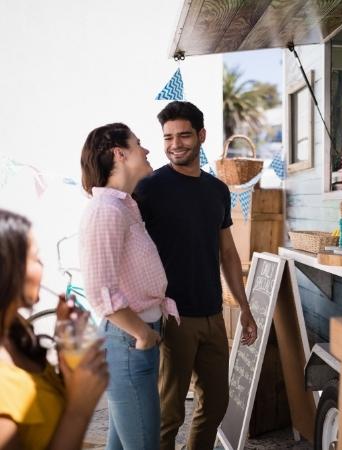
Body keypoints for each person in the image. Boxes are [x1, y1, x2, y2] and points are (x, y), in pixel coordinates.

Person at [134, 101, 258, 450]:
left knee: (216, 402)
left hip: (212, 313)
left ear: (201, 136)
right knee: (169, 413)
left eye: (184, 135)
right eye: (168, 137)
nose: (175, 144)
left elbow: (229, 254)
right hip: (172, 316)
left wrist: (244, 307)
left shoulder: (216, 190)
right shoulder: (149, 188)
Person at [79, 123, 180, 450]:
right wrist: (141, 333)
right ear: (119, 154)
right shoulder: (106, 211)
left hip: (135, 339)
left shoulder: (123, 207)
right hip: (127, 342)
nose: (148, 150)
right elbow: (100, 291)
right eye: (139, 144)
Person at [0, 209, 108, 450]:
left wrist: (66, 338)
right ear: (8, 270)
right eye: (35, 258)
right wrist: (79, 409)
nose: (42, 265)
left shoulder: (17, 331)